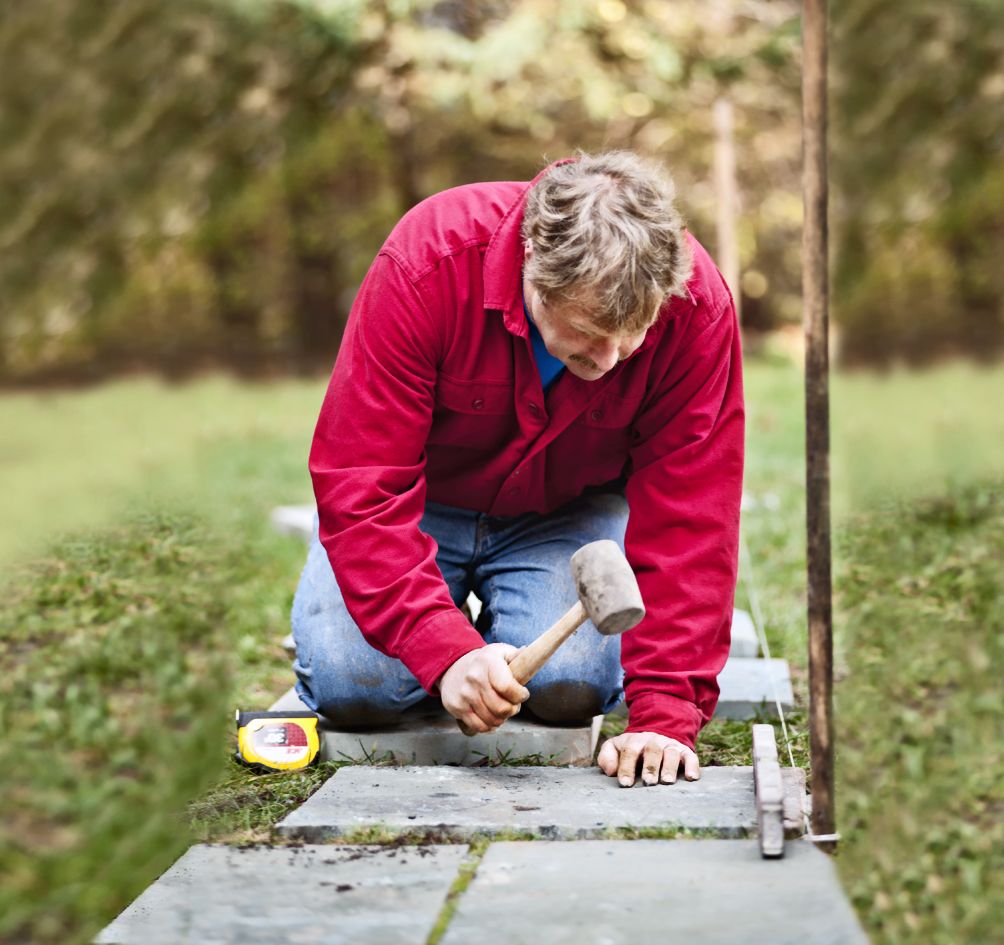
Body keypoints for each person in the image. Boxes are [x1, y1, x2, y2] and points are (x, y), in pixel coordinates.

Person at [290, 151, 744, 788]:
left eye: (633, 334)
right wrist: (443, 650)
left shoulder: (698, 308)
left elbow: (694, 517)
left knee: (569, 688)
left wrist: (666, 711)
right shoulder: (429, 261)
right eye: (587, 332)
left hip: (567, 513)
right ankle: (444, 621)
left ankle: (487, 632)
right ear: (533, 258)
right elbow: (361, 476)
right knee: (350, 686)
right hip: (420, 508)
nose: (611, 360)